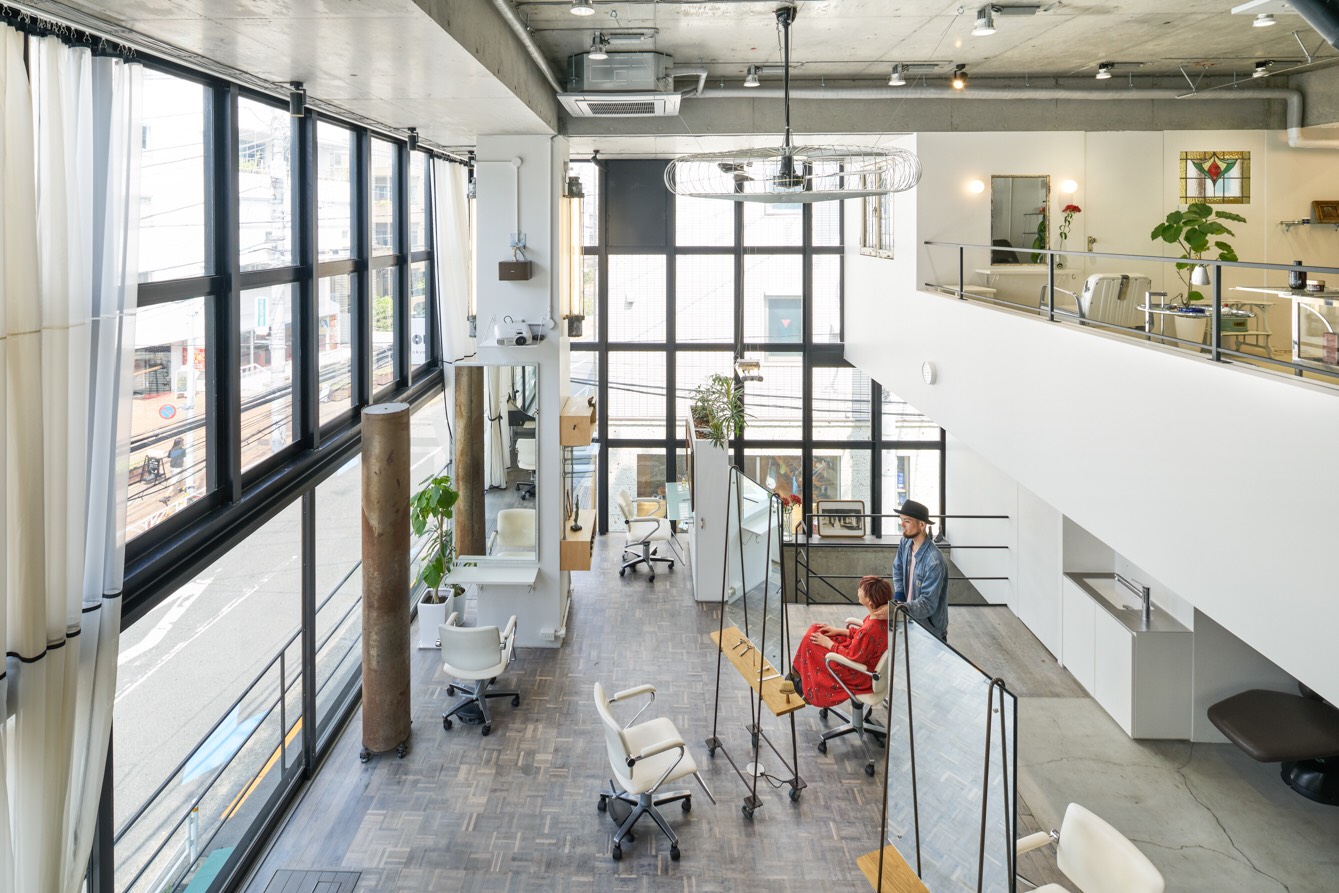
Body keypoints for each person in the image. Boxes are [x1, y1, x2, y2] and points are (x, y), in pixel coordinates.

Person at [788, 576, 891, 708]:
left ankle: (805, 686)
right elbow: (862, 639)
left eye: (861, 589)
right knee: (817, 629)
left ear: (869, 601)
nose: (858, 590)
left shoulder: (869, 631)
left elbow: (852, 655)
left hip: (858, 672)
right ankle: (798, 671)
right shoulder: (880, 617)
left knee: (812, 641)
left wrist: (828, 643)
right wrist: (837, 631)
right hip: (865, 659)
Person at [890, 498, 949, 643]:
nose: (902, 524)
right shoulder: (905, 542)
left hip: (929, 631)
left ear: (922, 525)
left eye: (907, 521)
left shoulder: (934, 562)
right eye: (901, 519)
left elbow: (928, 604)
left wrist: (898, 609)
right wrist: (900, 597)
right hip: (909, 620)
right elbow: (897, 568)